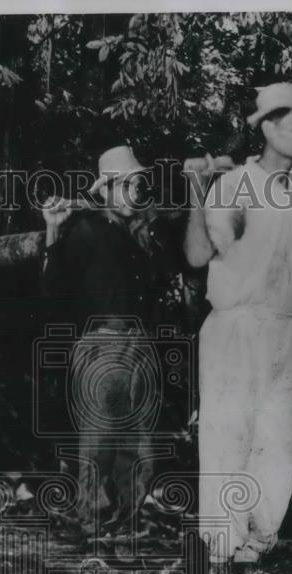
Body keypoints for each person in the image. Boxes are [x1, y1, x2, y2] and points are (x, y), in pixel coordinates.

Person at [183, 83, 292, 570]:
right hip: (235, 327)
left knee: (277, 435)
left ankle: (258, 538)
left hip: (279, 329)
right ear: (269, 128)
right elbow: (197, 255)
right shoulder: (237, 186)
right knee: (229, 432)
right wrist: (197, 195)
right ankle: (220, 549)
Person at [41, 145, 177, 542]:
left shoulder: (139, 237)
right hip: (101, 346)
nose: (139, 189)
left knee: (138, 448)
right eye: (132, 182)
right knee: (97, 442)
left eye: (140, 183)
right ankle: (89, 523)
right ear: (110, 188)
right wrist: (52, 231)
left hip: (138, 347)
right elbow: (53, 294)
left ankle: (125, 523)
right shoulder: (85, 230)